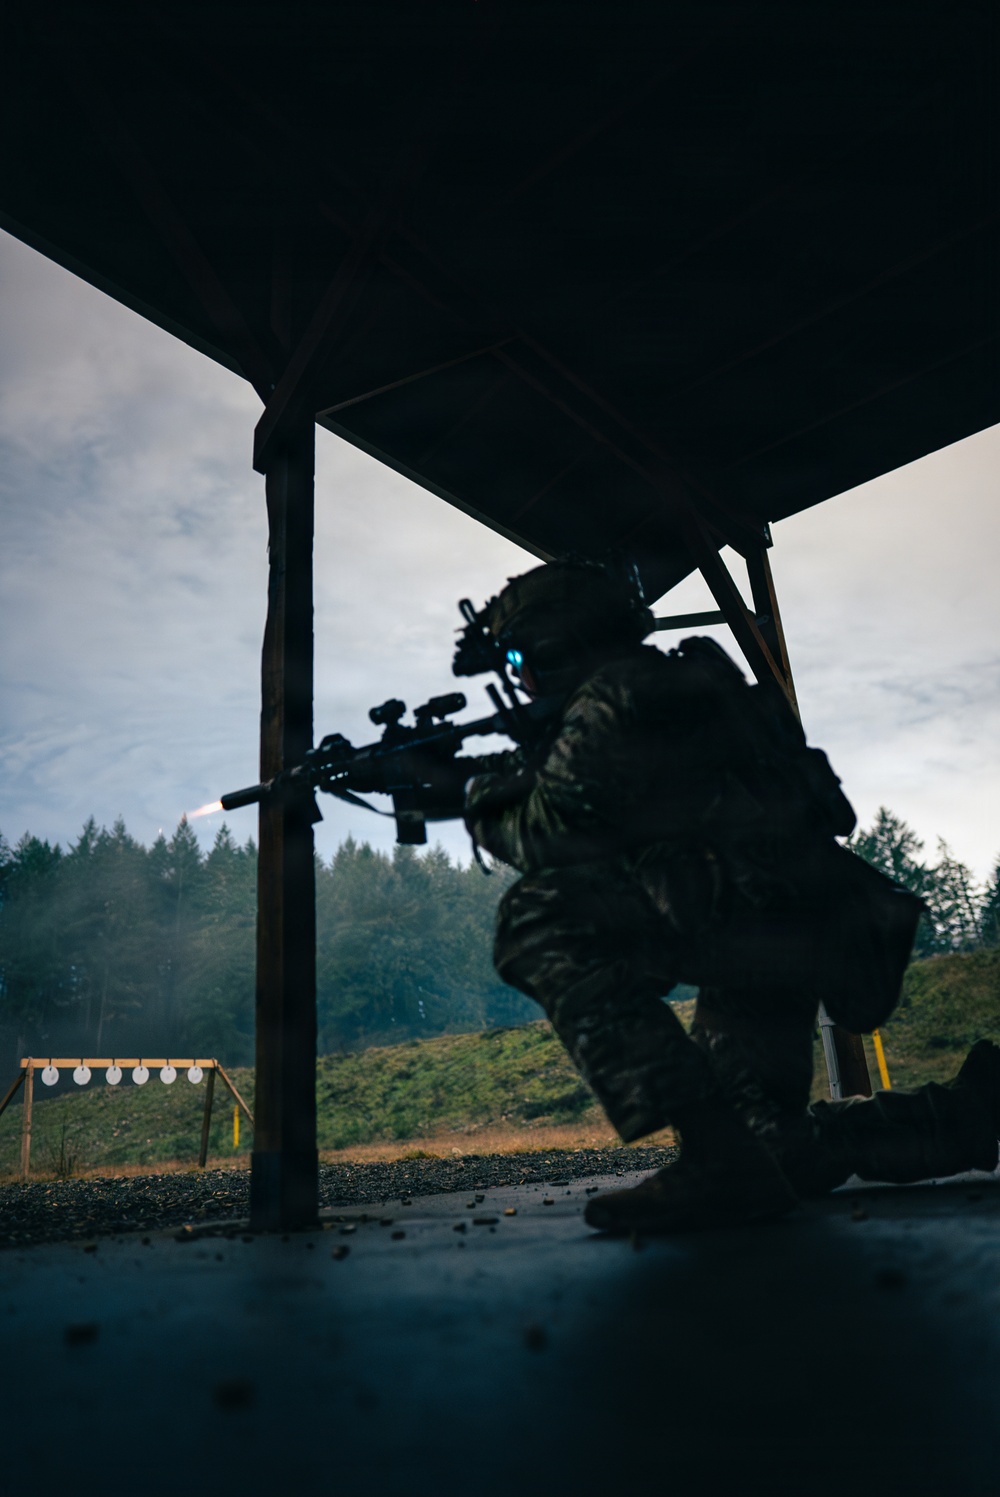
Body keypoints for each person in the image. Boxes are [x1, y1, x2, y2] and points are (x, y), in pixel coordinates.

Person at [457, 557, 1000, 1233]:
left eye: (518, 655)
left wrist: (475, 796)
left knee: (539, 917)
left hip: (747, 924)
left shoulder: (617, 696)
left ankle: (716, 1158)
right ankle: (972, 1112)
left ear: (558, 642)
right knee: (773, 1154)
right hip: (787, 934)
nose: (519, 676)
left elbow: (549, 833)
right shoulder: (680, 680)